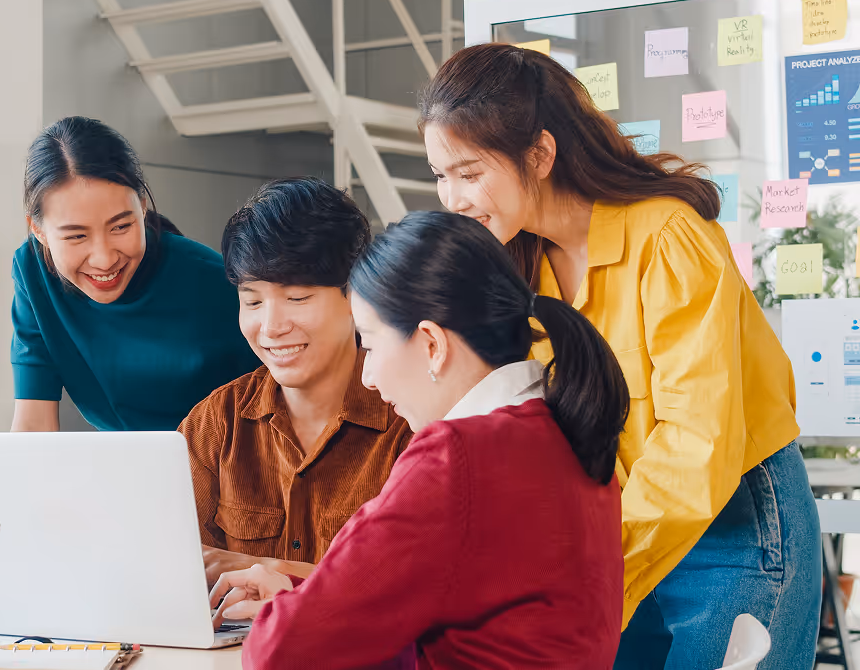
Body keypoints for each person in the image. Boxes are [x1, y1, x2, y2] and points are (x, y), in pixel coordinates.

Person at [417, 43, 820, 668]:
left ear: (542, 153)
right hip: (622, 531)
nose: (454, 198)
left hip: (734, 530)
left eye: (470, 173)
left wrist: (588, 566)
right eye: (441, 176)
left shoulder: (667, 236)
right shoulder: (520, 267)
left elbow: (699, 443)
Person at [209, 211, 628, 669]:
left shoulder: (456, 457)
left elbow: (280, 652)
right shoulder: (562, 427)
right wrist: (300, 596)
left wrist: (282, 614)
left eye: (369, 344)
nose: (367, 376)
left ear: (431, 343)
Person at [182, 177, 411, 587]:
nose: (270, 327)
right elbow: (166, 559)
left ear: (356, 296)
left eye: (297, 298)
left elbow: (419, 588)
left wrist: (282, 576)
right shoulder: (216, 423)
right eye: (252, 301)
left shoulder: (411, 421)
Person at [10, 116, 260, 431]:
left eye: (121, 226)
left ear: (142, 206)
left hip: (221, 469)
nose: (103, 260)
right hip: (123, 470)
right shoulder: (34, 274)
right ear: (39, 230)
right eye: (76, 236)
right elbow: (33, 428)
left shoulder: (218, 283)